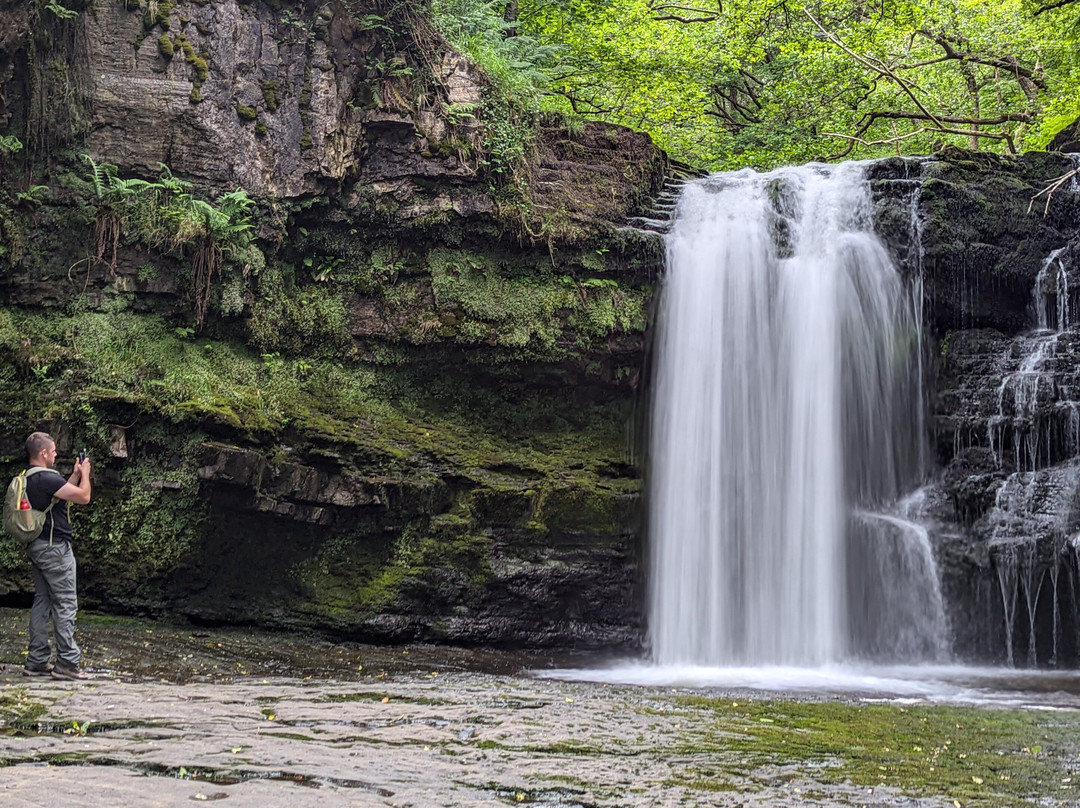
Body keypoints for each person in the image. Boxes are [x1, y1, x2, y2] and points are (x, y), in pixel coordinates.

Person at [21, 431, 92, 680]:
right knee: (65, 603)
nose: (55, 454)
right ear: (43, 453)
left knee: (43, 601)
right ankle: (67, 663)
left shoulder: (28, 478)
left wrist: (74, 475)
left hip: (36, 547)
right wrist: (86, 476)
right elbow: (83, 497)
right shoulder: (47, 478)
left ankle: (37, 661)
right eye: (53, 451)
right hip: (55, 549)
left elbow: (58, 499)